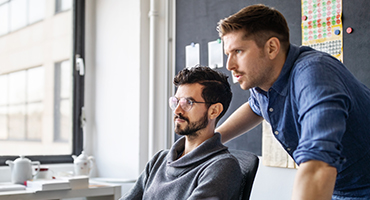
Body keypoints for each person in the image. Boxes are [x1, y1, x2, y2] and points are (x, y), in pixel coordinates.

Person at [216, 4, 370, 200]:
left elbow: (318, 162)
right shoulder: (265, 83)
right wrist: (212, 139)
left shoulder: (314, 74)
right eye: (228, 54)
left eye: (238, 51)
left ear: (271, 47)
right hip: (338, 187)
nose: (229, 65)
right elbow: (255, 107)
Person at [120, 66, 242, 200]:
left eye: (188, 102)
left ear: (214, 111)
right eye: (176, 101)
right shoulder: (159, 160)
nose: (177, 110)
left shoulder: (221, 167)